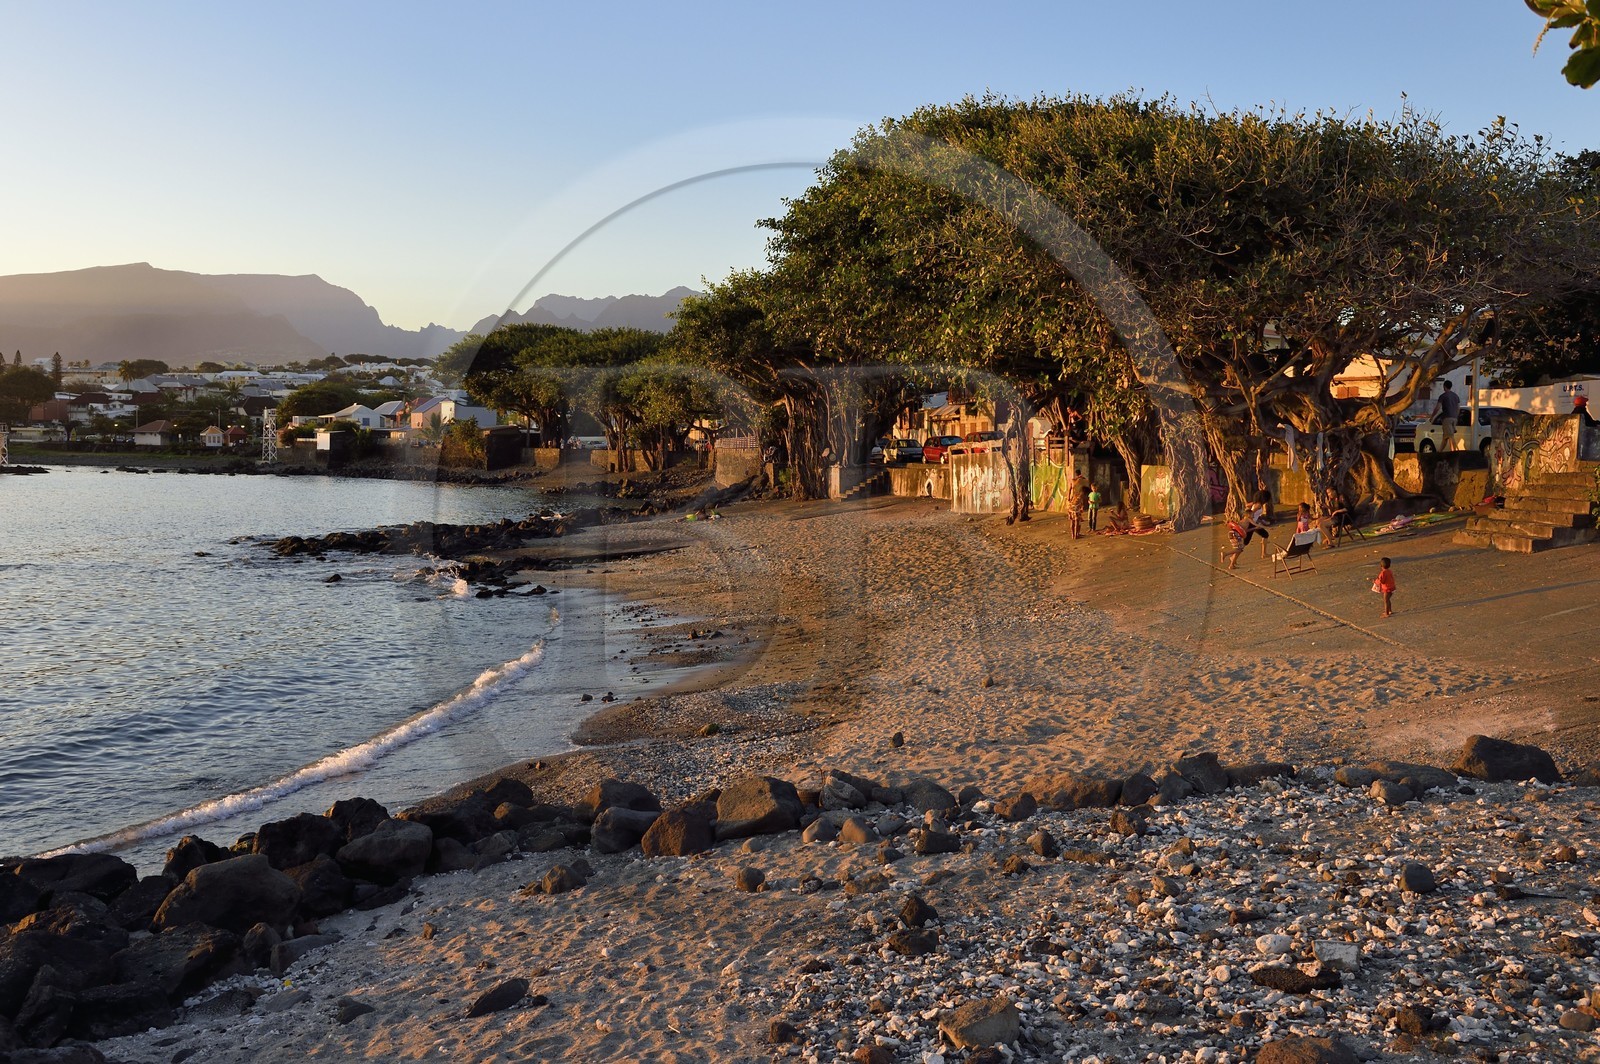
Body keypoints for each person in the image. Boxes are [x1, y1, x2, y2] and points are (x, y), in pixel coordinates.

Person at [1241, 489, 1273, 558]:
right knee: (1245, 543)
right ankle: (1232, 558)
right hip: (1251, 524)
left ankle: (1264, 554)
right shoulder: (1258, 505)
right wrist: (1255, 523)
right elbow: (1250, 514)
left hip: (1254, 523)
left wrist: (1258, 519)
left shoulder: (1256, 503)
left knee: (1265, 535)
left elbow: (1247, 505)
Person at [1432, 380, 1462, 451]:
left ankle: (1454, 453)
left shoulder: (1443, 396)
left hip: (1447, 418)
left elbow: (1437, 408)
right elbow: (1458, 408)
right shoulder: (1456, 396)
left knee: (1450, 436)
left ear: (1444, 387)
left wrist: (1432, 416)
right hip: (1454, 418)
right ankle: (1439, 452)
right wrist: (1456, 417)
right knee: (1445, 437)